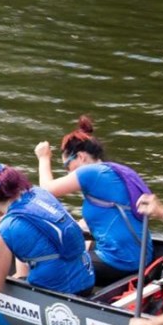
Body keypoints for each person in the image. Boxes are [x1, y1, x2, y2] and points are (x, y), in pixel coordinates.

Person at [0, 163, 95, 318]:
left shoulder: (4, 233)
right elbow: (6, 220)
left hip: (56, 296)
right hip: (87, 280)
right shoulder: (39, 194)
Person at [33, 115, 153, 283]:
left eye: (67, 165)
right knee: (72, 245)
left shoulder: (92, 173)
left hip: (120, 261)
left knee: (44, 263)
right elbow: (108, 216)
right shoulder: (115, 171)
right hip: (141, 256)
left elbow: (47, 189)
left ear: (81, 157)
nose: (68, 172)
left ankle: (23, 283)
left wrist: (43, 157)